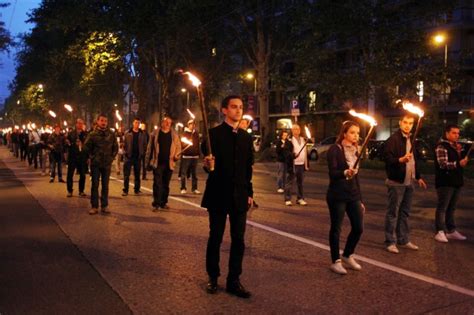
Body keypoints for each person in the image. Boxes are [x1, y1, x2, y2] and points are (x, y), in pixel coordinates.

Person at [202, 95, 254, 299]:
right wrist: (208, 165)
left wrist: (250, 193)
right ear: (224, 110)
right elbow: (208, 165)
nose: (238, 110)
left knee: (239, 240)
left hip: (239, 196)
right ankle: (213, 277)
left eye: (240, 107)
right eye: (233, 107)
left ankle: (234, 280)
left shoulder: (246, 137)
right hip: (218, 194)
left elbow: (247, 169)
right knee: (215, 237)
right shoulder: (212, 135)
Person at [383, 113, 427, 254]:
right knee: (393, 213)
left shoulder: (411, 139)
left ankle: (403, 239)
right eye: (405, 122)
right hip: (396, 182)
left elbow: (414, 160)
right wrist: (400, 160)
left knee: (405, 212)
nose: (408, 125)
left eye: (410, 123)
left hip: (409, 181)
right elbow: (387, 158)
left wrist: (418, 176)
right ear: (400, 123)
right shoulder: (393, 139)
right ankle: (390, 241)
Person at [326, 121, 365, 275]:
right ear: (344, 134)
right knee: (336, 228)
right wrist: (344, 173)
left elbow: (356, 178)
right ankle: (335, 261)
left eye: (357, 133)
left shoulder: (357, 150)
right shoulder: (335, 149)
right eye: (352, 132)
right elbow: (333, 173)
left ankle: (348, 254)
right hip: (337, 195)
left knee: (358, 227)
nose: (356, 135)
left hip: (353, 195)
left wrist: (361, 199)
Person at [433, 124, 469, 243]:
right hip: (445, 182)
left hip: (456, 181)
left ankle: (451, 230)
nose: (456, 135)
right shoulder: (441, 146)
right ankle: (440, 231)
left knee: (451, 208)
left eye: (458, 133)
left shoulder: (457, 146)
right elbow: (443, 164)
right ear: (447, 133)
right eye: (454, 133)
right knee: (442, 207)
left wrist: (463, 160)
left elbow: (460, 161)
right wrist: (458, 163)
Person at [84, 114, 118, 214]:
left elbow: (115, 148)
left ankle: (104, 206)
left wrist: (111, 158)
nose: (104, 123)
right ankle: (94, 206)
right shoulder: (92, 134)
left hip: (106, 164)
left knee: (105, 185)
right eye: (102, 120)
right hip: (95, 164)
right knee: (95, 185)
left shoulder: (111, 134)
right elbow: (86, 147)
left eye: (105, 121)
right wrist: (91, 157)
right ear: (98, 121)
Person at [145, 116, 181, 210]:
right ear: (162, 123)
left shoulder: (174, 135)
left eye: (170, 122)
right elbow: (149, 148)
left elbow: (178, 148)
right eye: (166, 122)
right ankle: (156, 203)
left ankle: (163, 202)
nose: (168, 124)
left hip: (169, 163)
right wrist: (147, 162)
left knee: (166, 184)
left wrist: (177, 156)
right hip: (158, 163)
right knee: (157, 183)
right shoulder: (155, 134)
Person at [122, 117, 147, 196]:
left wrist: (142, 153)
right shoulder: (127, 133)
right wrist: (125, 153)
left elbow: (145, 144)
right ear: (133, 123)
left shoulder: (142, 134)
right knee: (126, 175)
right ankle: (125, 190)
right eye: (136, 122)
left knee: (137, 175)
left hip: (138, 157)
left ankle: (137, 189)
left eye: (138, 123)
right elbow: (123, 144)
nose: (137, 124)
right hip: (128, 156)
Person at [286, 124, 309, 206]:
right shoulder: (289, 140)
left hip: (302, 164)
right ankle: (288, 199)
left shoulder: (303, 140)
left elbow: (306, 152)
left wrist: (306, 165)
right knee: (290, 182)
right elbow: (287, 152)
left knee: (301, 182)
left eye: (298, 129)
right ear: (292, 130)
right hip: (293, 164)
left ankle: (300, 198)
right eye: (295, 129)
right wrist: (293, 155)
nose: (297, 130)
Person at [66, 119, 88, 197]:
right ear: (76, 124)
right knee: (70, 174)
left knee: (83, 174)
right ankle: (69, 190)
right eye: (79, 123)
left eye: (81, 123)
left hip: (82, 157)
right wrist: (70, 143)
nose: (80, 125)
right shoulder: (71, 133)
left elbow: (88, 145)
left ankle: (81, 191)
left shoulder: (85, 134)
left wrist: (82, 145)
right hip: (73, 156)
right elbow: (67, 143)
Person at [180, 119, 201, 194]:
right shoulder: (185, 133)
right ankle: (183, 188)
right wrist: (187, 143)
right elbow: (182, 144)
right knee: (184, 173)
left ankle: (194, 188)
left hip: (195, 156)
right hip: (186, 156)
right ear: (188, 125)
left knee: (194, 174)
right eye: (191, 124)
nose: (193, 125)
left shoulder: (196, 133)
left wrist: (198, 153)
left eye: (194, 124)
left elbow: (198, 144)